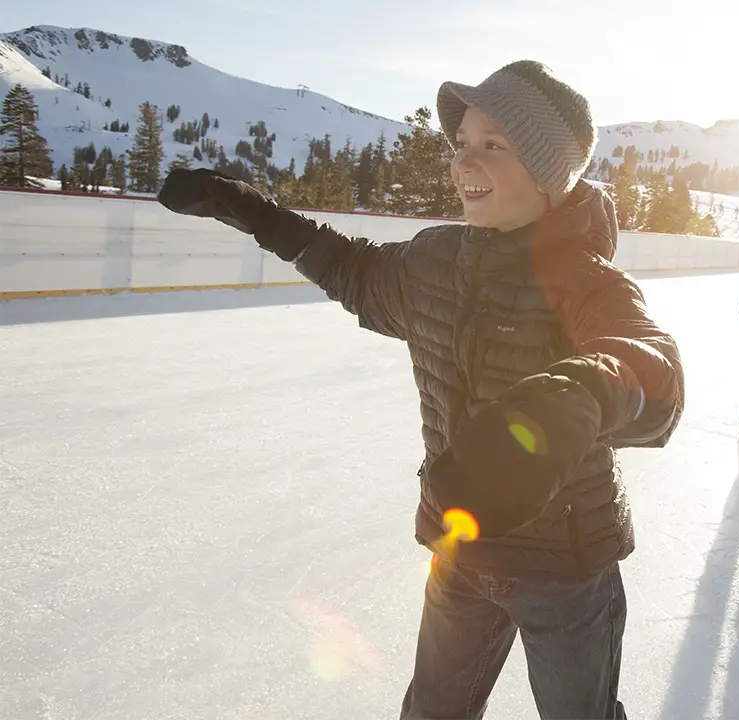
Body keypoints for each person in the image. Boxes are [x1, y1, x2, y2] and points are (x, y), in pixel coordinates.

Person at [156, 60, 684, 720]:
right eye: (462, 144)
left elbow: (654, 374)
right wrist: (252, 212)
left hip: (565, 567)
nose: (465, 162)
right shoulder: (433, 260)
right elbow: (352, 270)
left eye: (494, 144)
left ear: (552, 172)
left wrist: (578, 394)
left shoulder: (586, 281)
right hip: (459, 547)